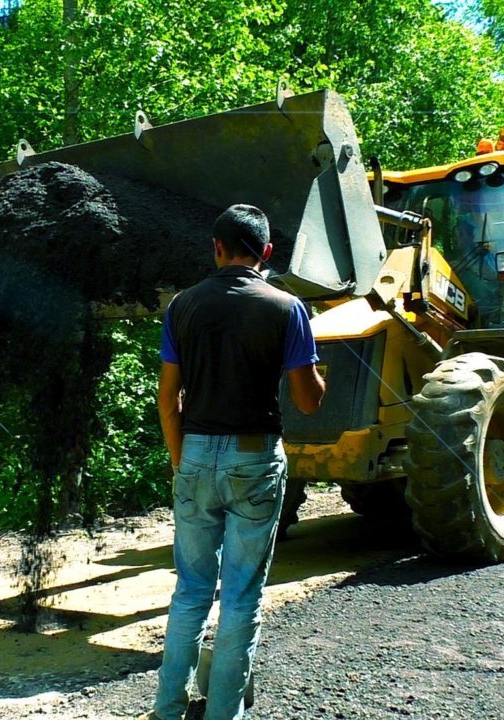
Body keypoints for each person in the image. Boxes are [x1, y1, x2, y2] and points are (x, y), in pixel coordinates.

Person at [143, 204, 325, 720]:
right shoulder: (287, 308)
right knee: (242, 595)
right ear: (266, 253)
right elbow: (308, 400)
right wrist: (319, 374)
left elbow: (167, 398)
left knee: (191, 590)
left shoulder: (181, 307)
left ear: (216, 248)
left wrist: (183, 461)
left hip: (195, 453)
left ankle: (168, 709)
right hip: (254, 458)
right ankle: (225, 713)